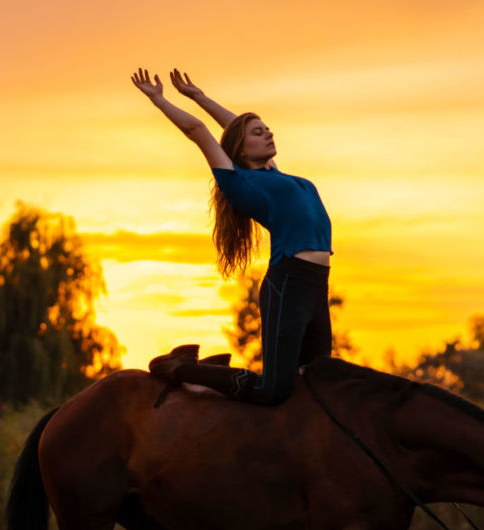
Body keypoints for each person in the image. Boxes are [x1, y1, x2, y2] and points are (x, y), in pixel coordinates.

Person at [131, 67, 333, 406]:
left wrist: (199, 96)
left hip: (317, 282)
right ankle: (181, 368)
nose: (269, 134)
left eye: (268, 129)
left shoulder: (275, 174)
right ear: (240, 150)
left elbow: (235, 129)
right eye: (259, 132)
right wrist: (160, 100)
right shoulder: (241, 183)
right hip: (290, 282)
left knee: (317, 382)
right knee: (273, 389)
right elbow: (198, 130)